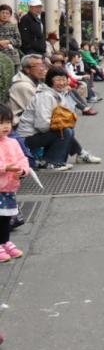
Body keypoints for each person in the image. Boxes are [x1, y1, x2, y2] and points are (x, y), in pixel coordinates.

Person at [17, 65, 102, 169]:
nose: (61, 83)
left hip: (37, 134)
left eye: (64, 80)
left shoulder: (57, 93)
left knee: (66, 129)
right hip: (27, 138)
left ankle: (80, 154)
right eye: (57, 80)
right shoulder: (45, 96)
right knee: (65, 131)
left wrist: (63, 125)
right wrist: (61, 126)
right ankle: (52, 163)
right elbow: (42, 125)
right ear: (50, 80)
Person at [0, 103, 29, 262]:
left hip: (9, 187)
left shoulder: (12, 142)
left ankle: (5, 241)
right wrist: (5, 168)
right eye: (1, 123)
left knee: (6, 217)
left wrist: (22, 170)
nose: (5, 127)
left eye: (8, 122)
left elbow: (22, 159)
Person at [8, 54, 44, 120]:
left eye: (42, 65)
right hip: (21, 125)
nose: (42, 69)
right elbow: (39, 110)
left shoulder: (36, 82)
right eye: (37, 66)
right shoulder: (23, 86)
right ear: (27, 69)